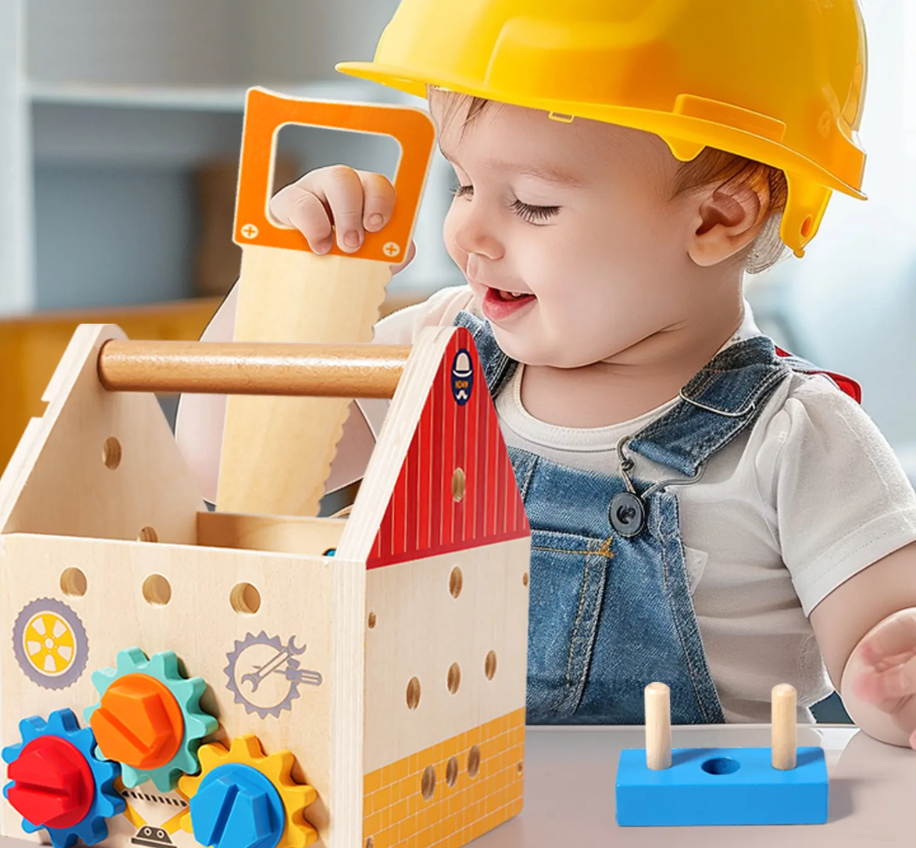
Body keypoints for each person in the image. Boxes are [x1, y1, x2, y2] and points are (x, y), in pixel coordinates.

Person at [178, 0, 916, 747]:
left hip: (688, 838)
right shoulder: (443, 347)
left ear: (715, 219)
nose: (466, 229)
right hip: (435, 821)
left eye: (532, 204)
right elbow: (222, 461)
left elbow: (884, 646)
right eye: (463, 184)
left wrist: (887, 679)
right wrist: (283, 278)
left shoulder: (795, 436)